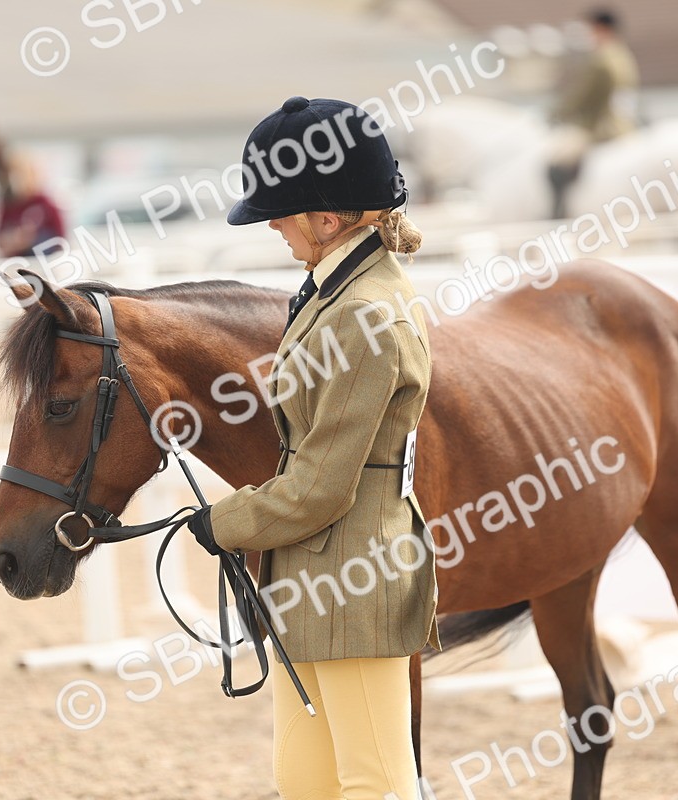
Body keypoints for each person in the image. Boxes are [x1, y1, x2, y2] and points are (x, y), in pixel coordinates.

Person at [185, 96, 439, 799]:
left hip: (355, 580)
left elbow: (323, 485)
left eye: (282, 211)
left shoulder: (362, 314)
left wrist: (223, 523)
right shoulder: (333, 291)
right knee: (304, 786)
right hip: (312, 579)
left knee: (374, 786)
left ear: (328, 219)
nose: (271, 224)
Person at [547, 8, 639, 218]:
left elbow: (583, 97)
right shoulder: (622, 54)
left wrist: (557, 113)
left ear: (600, 28)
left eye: (590, 29)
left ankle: (558, 211)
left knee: (557, 161)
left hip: (601, 127)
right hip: (625, 123)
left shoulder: (601, 60)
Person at [0, 153, 66, 258]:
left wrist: (31, 239)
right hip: (16, 262)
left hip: (42, 260)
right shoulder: (8, 205)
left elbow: (60, 236)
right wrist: (13, 240)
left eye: (23, 174)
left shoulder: (44, 203)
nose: (19, 180)